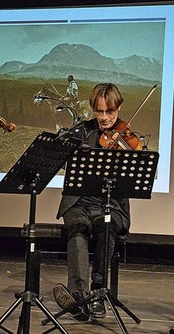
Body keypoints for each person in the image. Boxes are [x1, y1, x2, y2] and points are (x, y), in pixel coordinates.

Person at [52, 83, 132, 321]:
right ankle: (78, 296)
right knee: (77, 231)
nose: (105, 117)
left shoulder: (127, 136)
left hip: (112, 204)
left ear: (118, 108)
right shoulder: (82, 131)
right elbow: (60, 151)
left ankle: (97, 292)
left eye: (110, 112)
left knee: (104, 225)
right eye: (99, 112)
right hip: (79, 202)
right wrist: (62, 143)